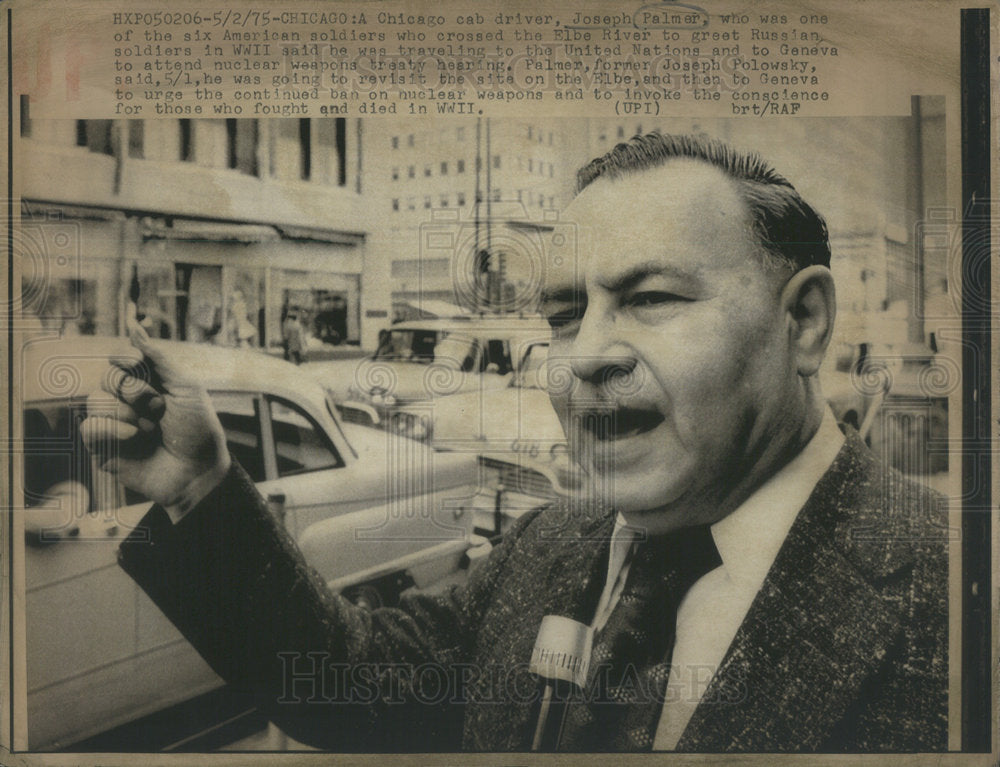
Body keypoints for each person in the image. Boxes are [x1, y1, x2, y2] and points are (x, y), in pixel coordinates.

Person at [81, 133, 948, 752]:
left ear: (804, 321)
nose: (586, 356)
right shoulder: (553, 540)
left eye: (651, 298)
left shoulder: (957, 601)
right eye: (565, 316)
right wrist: (201, 485)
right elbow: (352, 683)